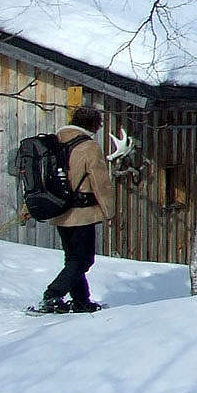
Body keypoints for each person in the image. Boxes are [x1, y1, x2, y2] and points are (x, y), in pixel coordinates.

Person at [35, 106, 114, 313]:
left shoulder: (54, 142)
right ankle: (53, 295)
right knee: (83, 259)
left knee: (73, 258)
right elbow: (100, 182)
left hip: (59, 210)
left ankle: (81, 301)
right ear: (93, 124)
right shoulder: (89, 147)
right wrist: (109, 211)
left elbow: (42, 179)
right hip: (82, 212)